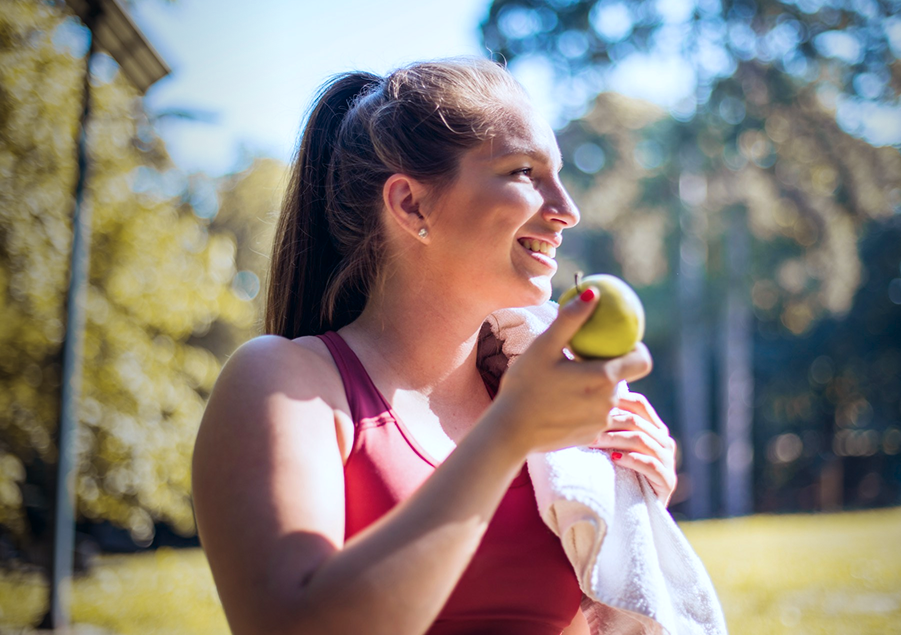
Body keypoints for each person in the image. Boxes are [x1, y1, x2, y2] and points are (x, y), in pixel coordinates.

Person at [191, 57, 678, 635]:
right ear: (411, 204)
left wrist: (631, 506)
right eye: (524, 172)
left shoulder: (547, 430)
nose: (567, 210)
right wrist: (510, 433)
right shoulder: (282, 383)